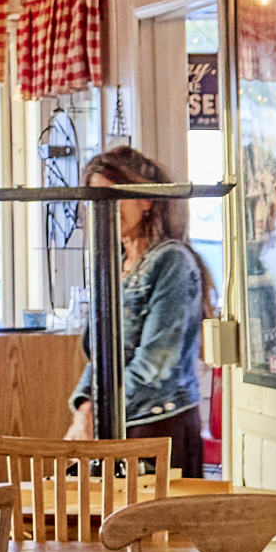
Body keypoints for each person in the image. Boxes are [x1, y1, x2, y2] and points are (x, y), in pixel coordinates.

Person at [63, 143, 210, 472]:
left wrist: (94, 414)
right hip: (116, 427)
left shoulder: (172, 262)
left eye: (113, 197)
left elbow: (156, 365)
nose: (103, 208)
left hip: (158, 429)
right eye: (94, 200)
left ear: (146, 200)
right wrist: (83, 408)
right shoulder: (114, 265)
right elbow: (100, 357)